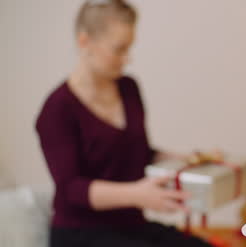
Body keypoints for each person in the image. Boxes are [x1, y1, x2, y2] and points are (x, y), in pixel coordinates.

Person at [35, 1, 212, 246]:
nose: (127, 59)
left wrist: (191, 160)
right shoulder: (57, 109)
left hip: (132, 226)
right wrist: (139, 195)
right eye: (119, 50)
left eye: (129, 48)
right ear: (84, 41)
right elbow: (71, 189)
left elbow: (139, 152)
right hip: (82, 233)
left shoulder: (129, 88)